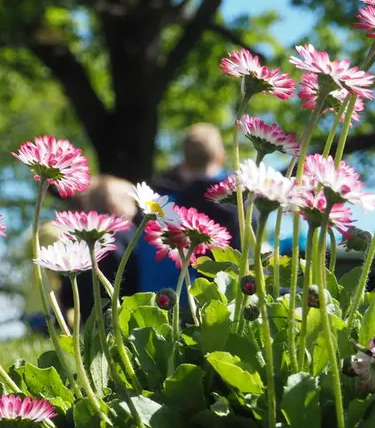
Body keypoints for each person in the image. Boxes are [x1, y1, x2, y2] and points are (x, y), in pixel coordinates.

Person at [139, 123, 242, 299]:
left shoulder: (159, 207)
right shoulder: (240, 203)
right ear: (221, 156)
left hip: (158, 302)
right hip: (219, 303)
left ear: (184, 159)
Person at [57, 175, 140, 325]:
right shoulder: (130, 235)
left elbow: (66, 296)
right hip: (127, 316)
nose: (136, 209)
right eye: (133, 203)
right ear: (118, 204)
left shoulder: (77, 241)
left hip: (89, 321)